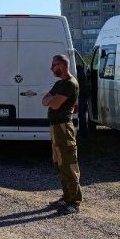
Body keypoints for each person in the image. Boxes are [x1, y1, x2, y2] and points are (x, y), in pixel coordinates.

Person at [41, 54, 83, 214]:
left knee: (68, 163)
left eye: (54, 65)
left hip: (64, 128)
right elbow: (44, 101)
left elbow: (56, 104)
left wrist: (51, 99)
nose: (51, 68)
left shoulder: (70, 84)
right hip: (55, 128)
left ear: (63, 65)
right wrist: (50, 98)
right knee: (59, 163)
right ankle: (66, 197)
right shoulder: (59, 84)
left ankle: (74, 202)